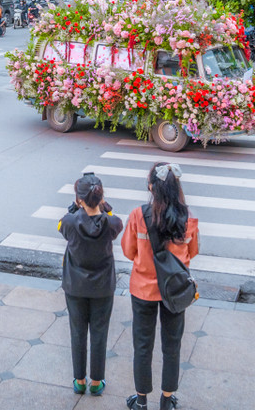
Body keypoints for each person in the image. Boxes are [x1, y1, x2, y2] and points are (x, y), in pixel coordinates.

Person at [121, 163, 199, 410]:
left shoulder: (138, 215)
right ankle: (167, 400)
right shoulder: (188, 218)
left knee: (142, 345)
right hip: (174, 293)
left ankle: (141, 401)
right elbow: (193, 252)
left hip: (142, 290)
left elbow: (127, 250)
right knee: (172, 345)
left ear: (151, 187)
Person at [59, 172, 123, 396]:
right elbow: (115, 221)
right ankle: (96, 382)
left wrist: (76, 208)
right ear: (101, 197)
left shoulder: (68, 222)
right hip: (103, 286)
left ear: (79, 199)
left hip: (75, 286)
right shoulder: (112, 223)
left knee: (77, 331)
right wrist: (106, 207)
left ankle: (79, 381)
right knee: (99, 332)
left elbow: (61, 227)